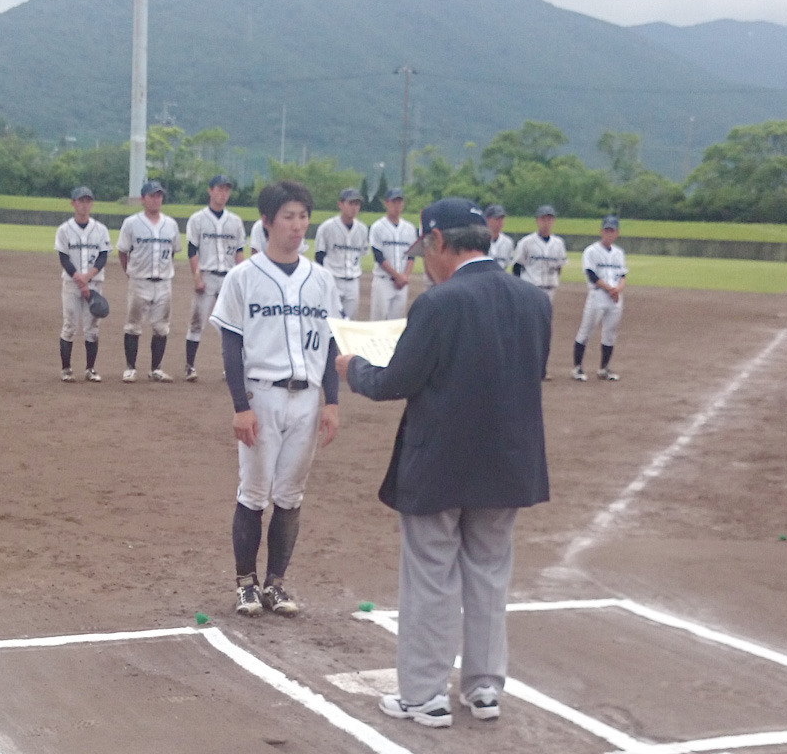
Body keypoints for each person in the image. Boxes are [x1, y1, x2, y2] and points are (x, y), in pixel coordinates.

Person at [335, 197, 550, 729]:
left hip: (441, 461)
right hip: (508, 460)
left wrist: (353, 367)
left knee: (432, 576)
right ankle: (484, 687)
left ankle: (424, 695)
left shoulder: (439, 303)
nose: (424, 263)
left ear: (438, 241)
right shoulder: (533, 300)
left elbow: (395, 382)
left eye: (424, 250)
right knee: (489, 574)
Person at [210, 180, 341, 618]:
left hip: (306, 399)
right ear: (267, 222)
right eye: (288, 217)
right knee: (253, 494)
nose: (297, 225)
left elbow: (331, 342)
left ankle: (276, 584)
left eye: (303, 216)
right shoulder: (243, 277)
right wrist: (240, 407)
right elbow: (231, 347)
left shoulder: (321, 279)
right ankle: (245, 584)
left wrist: (332, 401)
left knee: (291, 495)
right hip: (261, 396)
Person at [117, 179, 181, 383]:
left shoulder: (170, 224)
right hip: (139, 281)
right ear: (143, 199)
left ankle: (156, 369)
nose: (156, 199)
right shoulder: (131, 223)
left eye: (159, 196)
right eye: (152, 196)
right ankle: (130, 368)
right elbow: (123, 251)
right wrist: (130, 272)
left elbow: (173, 252)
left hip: (163, 282)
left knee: (161, 327)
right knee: (133, 326)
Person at [183, 174, 246, 382]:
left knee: (231, 325)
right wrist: (197, 278)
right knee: (197, 322)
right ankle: (189, 367)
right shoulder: (198, 219)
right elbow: (192, 250)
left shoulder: (235, 221)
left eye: (226, 190)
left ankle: (230, 368)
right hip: (207, 276)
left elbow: (239, 251)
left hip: (228, 278)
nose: (223, 193)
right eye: (219, 189)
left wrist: (240, 278)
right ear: (210, 191)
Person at [55, 186, 112, 383]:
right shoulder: (64, 230)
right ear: (73, 203)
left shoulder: (100, 230)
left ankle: (90, 369)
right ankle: (66, 369)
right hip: (71, 284)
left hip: (94, 283)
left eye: (88, 201)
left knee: (92, 328)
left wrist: (88, 276)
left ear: (91, 204)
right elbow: (63, 258)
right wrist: (79, 278)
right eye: (81, 201)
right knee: (69, 325)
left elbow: (103, 256)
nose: (84, 205)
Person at [512, 204, 567, 378]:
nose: (546, 222)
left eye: (549, 219)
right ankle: (522, 367)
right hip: (530, 290)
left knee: (545, 330)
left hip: (549, 290)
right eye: (543, 218)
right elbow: (517, 267)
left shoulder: (558, 244)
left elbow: (559, 267)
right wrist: (520, 290)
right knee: (527, 328)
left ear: (553, 221)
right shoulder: (526, 242)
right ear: (537, 220)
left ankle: (542, 369)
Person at [572, 215, 628, 382]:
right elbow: (591, 274)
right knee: (586, 331)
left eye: (612, 230)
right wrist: (610, 289)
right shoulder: (591, 251)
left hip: (615, 298)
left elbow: (622, 275)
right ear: (601, 232)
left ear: (617, 233)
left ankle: (604, 369)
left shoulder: (619, 253)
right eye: (606, 230)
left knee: (610, 333)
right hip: (598, 295)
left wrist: (618, 289)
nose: (609, 233)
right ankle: (577, 368)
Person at [314, 188, 370, 319]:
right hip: (333, 279)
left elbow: (361, 253)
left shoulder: (362, 229)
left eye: (357, 204)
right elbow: (319, 256)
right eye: (350, 203)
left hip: (353, 282)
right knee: (330, 319)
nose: (354, 207)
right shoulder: (327, 227)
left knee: (349, 322)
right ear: (340, 204)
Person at [369, 187, 418, 320]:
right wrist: (398, 276)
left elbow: (411, 255)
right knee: (378, 323)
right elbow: (378, 257)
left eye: (399, 201)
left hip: (402, 284)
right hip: (383, 281)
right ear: (386, 203)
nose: (397, 205)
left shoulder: (409, 228)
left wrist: (405, 276)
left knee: (397, 324)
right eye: (394, 202)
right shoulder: (377, 227)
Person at [484, 203, 514, 270]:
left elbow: (507, 264)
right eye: (497, 219)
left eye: (502, 219)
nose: (500, 222)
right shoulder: (478, 241)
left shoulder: (508, 242)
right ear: (487, 219)